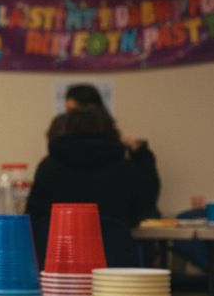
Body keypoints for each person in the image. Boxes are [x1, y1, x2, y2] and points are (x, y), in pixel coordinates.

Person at [26, 106, 155, 267]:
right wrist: (142, 154)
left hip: (58, 267)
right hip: (113, 267)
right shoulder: (125, 168)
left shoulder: (49, 167)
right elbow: (142, 212)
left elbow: (33, 216)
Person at [64, 83, 161, 218]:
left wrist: (140, 153)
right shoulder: (61, 155)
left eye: (74, 112)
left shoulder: (117, 158)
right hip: (112, 231)